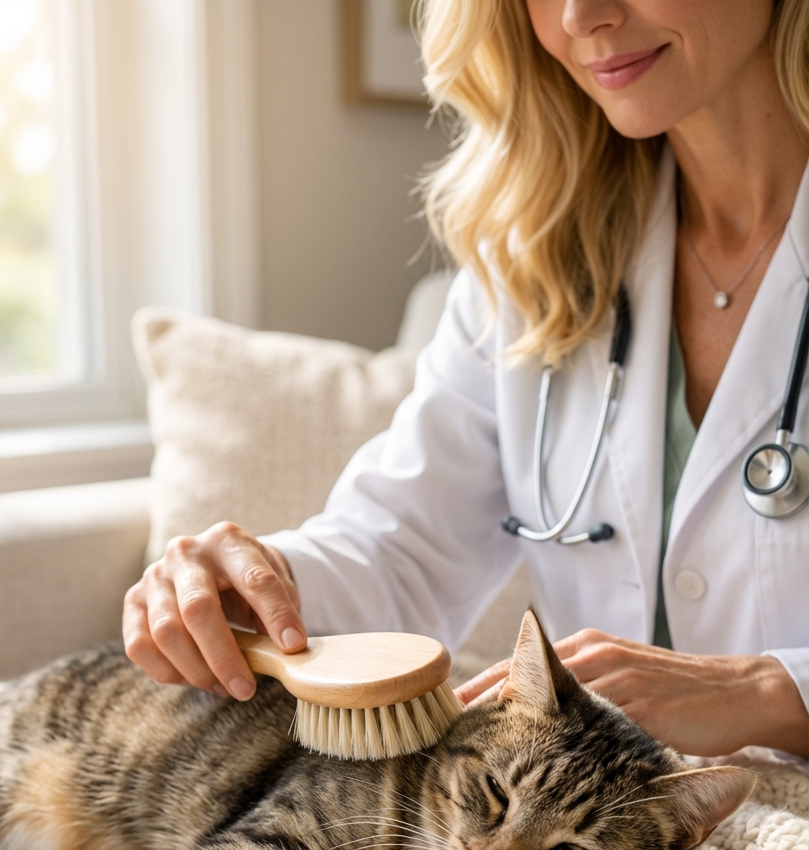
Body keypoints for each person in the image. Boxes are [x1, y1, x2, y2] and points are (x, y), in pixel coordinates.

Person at [123, 0, 809, 760]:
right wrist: (259, 583)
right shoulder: (536, 253)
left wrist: (770, 691)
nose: (580, 16)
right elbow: (403, 549)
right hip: (594, 842)